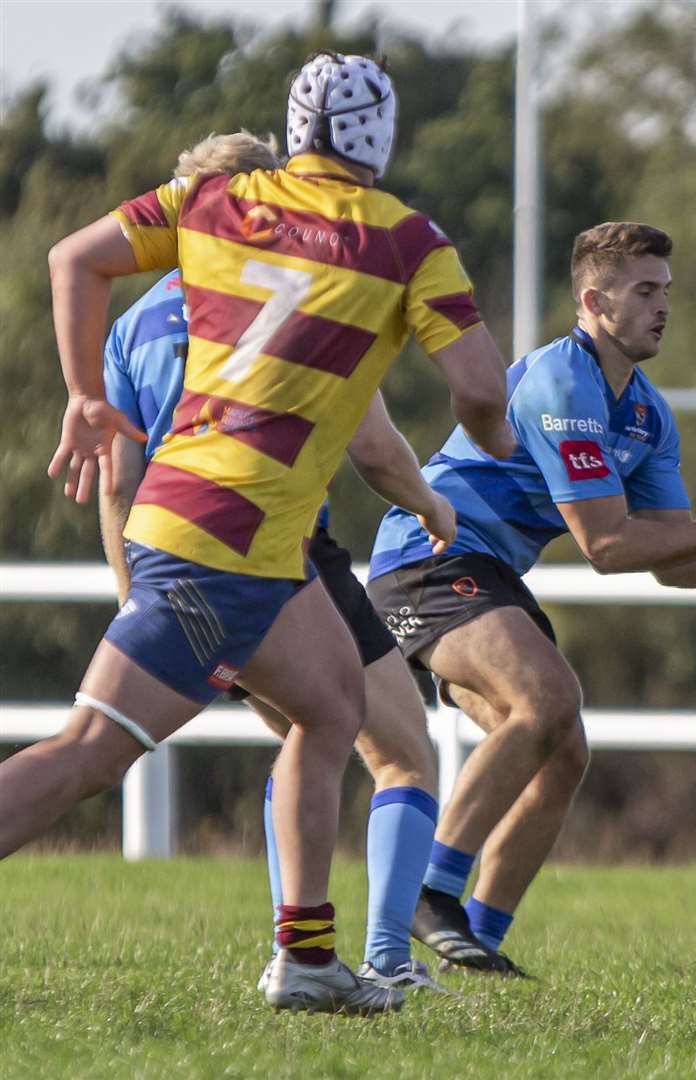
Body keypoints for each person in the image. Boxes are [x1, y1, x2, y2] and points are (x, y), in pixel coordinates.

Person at [12, 51, 515, 1015]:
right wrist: (487, 447)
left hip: (218, 533)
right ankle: (315, 957)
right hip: (227, 549)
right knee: (87, 756)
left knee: (331, 709)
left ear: (293, 129)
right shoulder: (406, 240)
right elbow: (484, 391)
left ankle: (308, 958)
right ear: (382, 138)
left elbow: (71, 258)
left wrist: (83, 395)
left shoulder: (212, 203)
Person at [367, 222, 696, 973]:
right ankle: (432, 891)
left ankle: (480, 947)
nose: (664, 306)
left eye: (667, 291)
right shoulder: (561, 381)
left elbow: (670, 556)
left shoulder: (648, 416)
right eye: (645, 291)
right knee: (545, 697)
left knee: (564, 754)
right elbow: (605, 547)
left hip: (491, 573)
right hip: (427, 557)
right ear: (594, 300)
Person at [100, 131, 462, 994]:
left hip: (169, 556)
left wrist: (133, 598)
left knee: (302, 739)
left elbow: (116, 483)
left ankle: (303, 954)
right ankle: (377, 958)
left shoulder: (130, 326)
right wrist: (431, 505)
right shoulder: (302, 290)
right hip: (285, 553)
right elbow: (376, 445)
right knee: (402, 752)